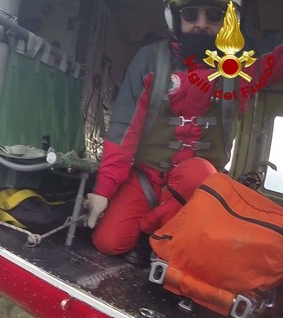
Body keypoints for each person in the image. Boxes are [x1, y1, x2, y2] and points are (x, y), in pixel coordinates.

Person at [84, 0, 283, 261]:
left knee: (197, 177)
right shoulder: (150, 59)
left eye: (213, 15)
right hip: (147, 176)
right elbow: (124, 130)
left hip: (199, 185)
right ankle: (158, 236)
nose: (201, 24)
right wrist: (103, 191)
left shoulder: (246, 66)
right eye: (191, 14)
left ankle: (154, 237)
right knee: (108, 242)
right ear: (175, 19)